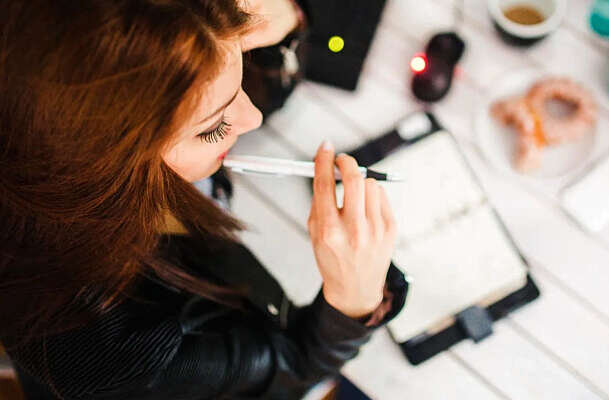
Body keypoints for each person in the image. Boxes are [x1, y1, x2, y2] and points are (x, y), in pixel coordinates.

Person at [0, 1, 408, 399]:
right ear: (111, 162)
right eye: (213, 128)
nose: (252, 119)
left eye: (242, 66)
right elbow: (291, 371)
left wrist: (284, 15)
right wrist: (352, 303)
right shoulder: (115, 346)